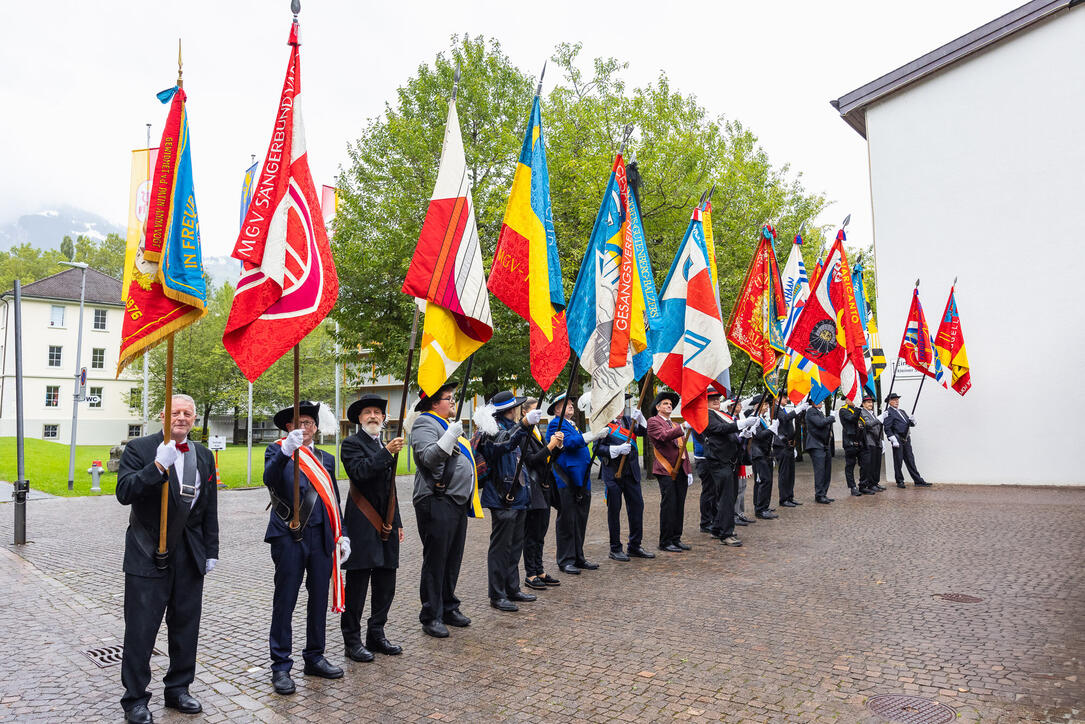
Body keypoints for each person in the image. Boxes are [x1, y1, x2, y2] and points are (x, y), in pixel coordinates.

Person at [116, 394, 219, 723]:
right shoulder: (140, 449)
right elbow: (124, 492)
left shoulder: (203, 455)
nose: (182, 417)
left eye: (188, 413)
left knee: (186, 627)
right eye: (176, 412)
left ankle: (178, 688)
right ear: (163, 415)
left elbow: (209, 510)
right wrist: (157, 466)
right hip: (148, 553)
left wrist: (211, 550)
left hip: (189, 555)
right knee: (141, 630)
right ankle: (135, 698)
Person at [264, 401, 345, 695]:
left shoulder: (325, 458)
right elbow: (269, 479)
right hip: (289, 536)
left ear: (316, 427)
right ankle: (281, 666)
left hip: (322, 537)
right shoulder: (276, 451)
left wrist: (342, 534)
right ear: (289, 428)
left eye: (310, 422)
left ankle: (314, 656)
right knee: (285, 600)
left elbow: (333, 499)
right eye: (299, 423)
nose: (305, 427)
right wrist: (287, 452)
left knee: (318, 599)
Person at [339, 393, 406, 664]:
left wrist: (398, 521)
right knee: (357, 584)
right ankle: (352, 641)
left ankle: (376, 634)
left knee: (386, 581)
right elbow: (361, 472)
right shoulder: (351, 444)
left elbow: (390, 489)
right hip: (361, 521)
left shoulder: (385, 445)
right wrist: (387, 452)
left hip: (387, 521)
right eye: (367, 412)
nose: (373, 416)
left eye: (377, 412)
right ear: (358, 418)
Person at [410, 382, 478, 638]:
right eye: (448, 398)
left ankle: (448, 606)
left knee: (452, 559)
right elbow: (428, 457)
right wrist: (450, 436)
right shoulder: (424, 424)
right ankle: (431, 614)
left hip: (455, 500)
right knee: (436, 560)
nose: (452, 402)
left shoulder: (444, 423)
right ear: (433, 403)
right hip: (436, 498)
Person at [474, 391, 539, 612]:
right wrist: (523, 425)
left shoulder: (511, 426)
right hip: (502, 495)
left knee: (514, 546)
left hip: (518, 494)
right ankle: (497, 594)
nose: (520, 410)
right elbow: (503, 445)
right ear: (508, 410)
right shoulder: (492, 428)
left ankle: (512, 588)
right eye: (516, 408)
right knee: (501, 548)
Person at [546, 393, 602, 575]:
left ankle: (578, 556)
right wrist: (591, 435)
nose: (571, 405)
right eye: (566, 403)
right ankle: (565, 560)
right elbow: (569, 443)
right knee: (567, 520)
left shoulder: (572, 425)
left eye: (571, 403)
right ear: (556, 409)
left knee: (580, 519)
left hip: (581, 478)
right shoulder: (556, 423)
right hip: (566, 479)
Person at [595, 400, 654, 562]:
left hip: (631, 473)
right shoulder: (603, 424)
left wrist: (642, 419)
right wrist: (615, 450)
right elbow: (597, 448)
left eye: (622, 406)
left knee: (637, 508)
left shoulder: (629, 421)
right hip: (614, 473)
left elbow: (644, 432)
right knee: (614, 511)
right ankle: (615, 548)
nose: (620, 410)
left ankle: (635, 545)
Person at [519, 397, 562, 591]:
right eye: (534, 410)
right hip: (533, 488)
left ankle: (540, 569)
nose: (539, 414)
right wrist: (551, 445)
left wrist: (557, 447)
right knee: (532, 533)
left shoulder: (537, 431)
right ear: (524, 412)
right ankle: (531, 573)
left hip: (545, 486)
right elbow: (532, 460)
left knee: (541, 532)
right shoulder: (522, 433)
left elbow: (548, 458)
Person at [703, 392, 755, 546]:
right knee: (726, 497)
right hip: (719, 460)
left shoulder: (721, 414)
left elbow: (730, 435)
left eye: (717, 399)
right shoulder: (706, 414)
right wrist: (741, 424)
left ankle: (718, 528)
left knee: (729, 496)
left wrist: (743, 435)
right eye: (711, 399)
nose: (715, 401)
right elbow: (718, 429)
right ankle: (726, 533)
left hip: (730, 459)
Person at [647, 390, 693, 550]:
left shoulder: (673, 424)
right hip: (665, 469)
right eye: (665, 403)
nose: (669, 405)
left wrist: (688, 469)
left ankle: (676, 538)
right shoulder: (653, 422)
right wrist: (682, 427)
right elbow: (663, 436)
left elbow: (682, 448)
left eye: (671, 404)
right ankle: (665, 541)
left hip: (680, 469)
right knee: (669, 504)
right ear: (658, 407)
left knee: (679, 504)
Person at [883, 392, 931, 488]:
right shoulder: (888, 413)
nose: (896, 401)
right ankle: (899, 481)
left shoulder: (902, 411)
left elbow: (908, 424)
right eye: (893, 399)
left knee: (910, 460)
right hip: (897, 439)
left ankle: (918, 480)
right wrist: (892, 439)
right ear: (889, 402)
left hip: (906, 439)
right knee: (898, 461)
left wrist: (912, 421)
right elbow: (887, 428)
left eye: (897, 399)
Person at [747, 394, 779, 520]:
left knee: (766, 480)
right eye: (764, 404)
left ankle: (763, 505)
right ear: (757, 406)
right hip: (758, 453)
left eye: (767, 404)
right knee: (763, 481)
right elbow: (759, 436)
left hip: (765, 453)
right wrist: (771, 429)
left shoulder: (762, 418)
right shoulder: (753, 418)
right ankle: (760, 509)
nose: (767, 407)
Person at [773, 397, 808, 507]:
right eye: (783, 397)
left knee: (790, 474)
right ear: (777, 398)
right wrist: (798, 409)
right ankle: (783, 499)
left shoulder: (782, 409)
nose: (786, 399)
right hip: (781, 446)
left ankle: (790, 496)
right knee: (784, 474)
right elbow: (785, 419)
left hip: (789, 445)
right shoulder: (775, 409)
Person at [805, 400, 836, 503]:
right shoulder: (811, 411)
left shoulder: (820, 412)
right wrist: (830, 418)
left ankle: (824, 493)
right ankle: (819, 495)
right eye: (818, 400)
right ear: (813, 402)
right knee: (820, 471)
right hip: (815, 444)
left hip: (824, 444)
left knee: (827, 471)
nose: (821, 402)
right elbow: (819, 423)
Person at [838, 398, 867, 497]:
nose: (854, 400)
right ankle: (853, 487)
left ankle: (862, 485)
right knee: (850, 465)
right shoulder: (843, 410)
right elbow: (852, 419)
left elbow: (862, 425)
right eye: (851, 398)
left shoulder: (856, 409)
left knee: (865, 464)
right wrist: (859, 409)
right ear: (846, 400)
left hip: (860, 442)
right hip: (850, 442)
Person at [858, 395, 886, 493]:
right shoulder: (862, 412)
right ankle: (869, 484)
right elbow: (868, 424)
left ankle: (875, 482)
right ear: (863, 404)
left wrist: (882, 440)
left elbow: (878, 428)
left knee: (877, 464)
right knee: (870, 464)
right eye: (868, 402)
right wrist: (879, 419)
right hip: (869, 441)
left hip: (877, 441)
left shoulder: (872, 413)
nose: (870, 404)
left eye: (871, 402)